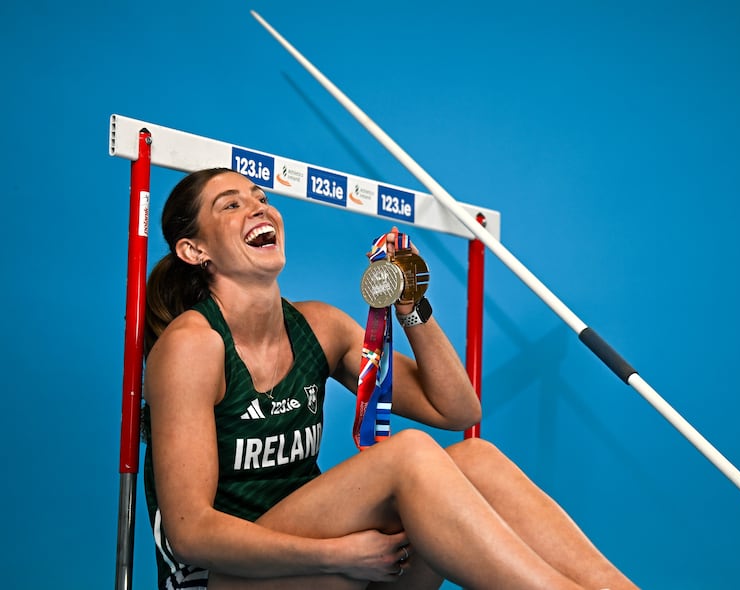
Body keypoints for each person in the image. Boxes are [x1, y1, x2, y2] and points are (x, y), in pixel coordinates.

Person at [141, 167, 638, 590]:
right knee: (407, 455)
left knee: (476, 458)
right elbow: (191, 533)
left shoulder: (318, 326)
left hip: (328, 558)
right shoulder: (193, 345)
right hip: (226, 577)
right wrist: (335, 556)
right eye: (230, 205)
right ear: (193, 250)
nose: (260, 208)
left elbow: (458, 411)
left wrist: (411, 306)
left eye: (263, 197)